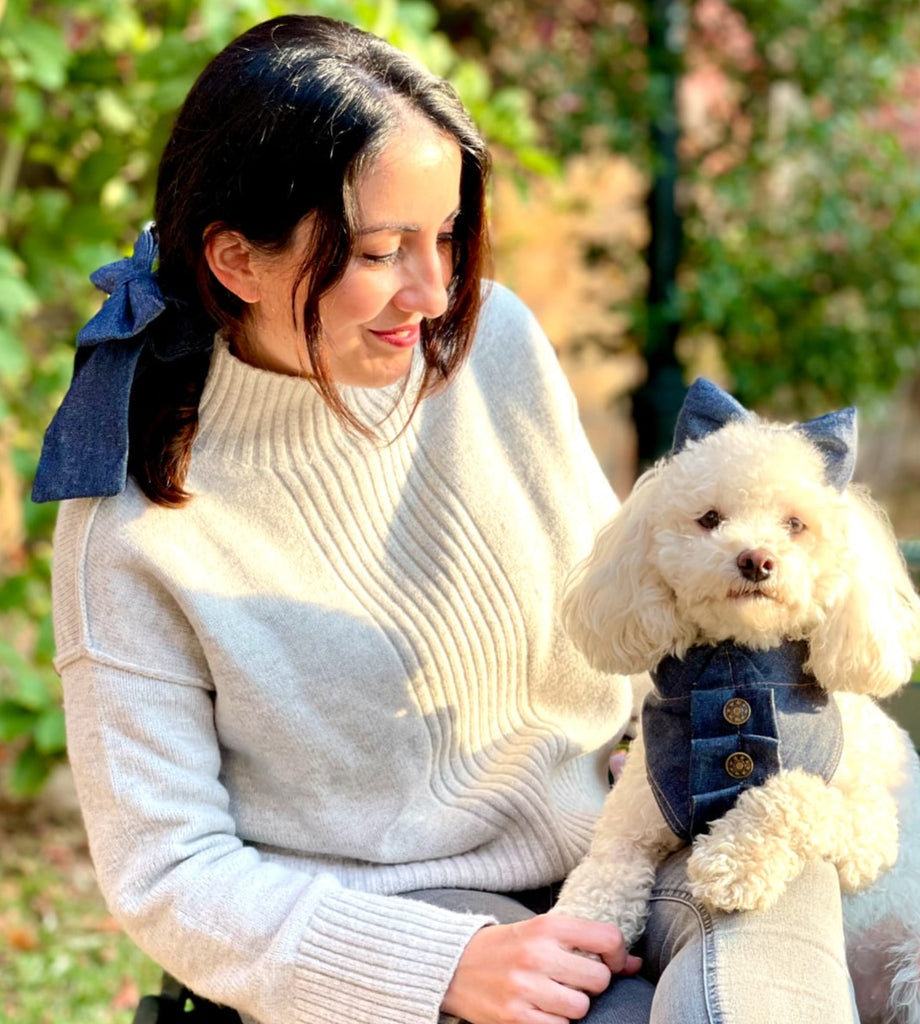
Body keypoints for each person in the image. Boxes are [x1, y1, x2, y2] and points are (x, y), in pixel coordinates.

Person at [34, 15, 861, 1024]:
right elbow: (167, 871)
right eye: (381, 250)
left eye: (446, 237)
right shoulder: (129, 520)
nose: (431, 292)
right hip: (401, 915)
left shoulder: (492, 345)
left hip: (640, 827)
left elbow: (641, 594)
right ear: (236, 260)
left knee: (769, 967)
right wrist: (441, 963)